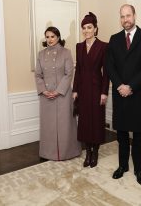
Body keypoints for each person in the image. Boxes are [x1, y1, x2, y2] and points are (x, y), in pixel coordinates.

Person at [106, 4, 141, 185]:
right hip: (120, 93)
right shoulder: (114, 39)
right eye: (122, 16)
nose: (125, 19)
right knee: (122, 133)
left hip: (138, 93)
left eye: (128, 15)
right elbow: (109, 65)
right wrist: (120, 85)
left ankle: (139, 170)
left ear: (135, 15)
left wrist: (131, 86)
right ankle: (122, 166)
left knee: (138, 134)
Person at [35, 26, 81, 161]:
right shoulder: (41, 54)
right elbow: (38, 75)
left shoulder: (66, 52)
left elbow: (69, 73)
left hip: (63, 94)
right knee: (48, 125)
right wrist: (44, 90)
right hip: (46, 96)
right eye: (47, 37)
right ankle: (48, 153)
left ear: (58, 37)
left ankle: (68, 152)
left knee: (65, 124)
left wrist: (58, 91)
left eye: (52, 36)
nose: (50, 39)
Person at [72, 12, 109, 168]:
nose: (86, 30)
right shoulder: (79, 46)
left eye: (89, 27)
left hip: (97, 88)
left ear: (95, 29)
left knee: (96, 121)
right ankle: (87, 152)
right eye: (84, 28)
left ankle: (95, 152)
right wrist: (75, 90)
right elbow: (78, 70)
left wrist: (104, 92)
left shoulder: (104, 46)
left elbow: (106, 72)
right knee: (85, 122)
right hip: (83, 89)